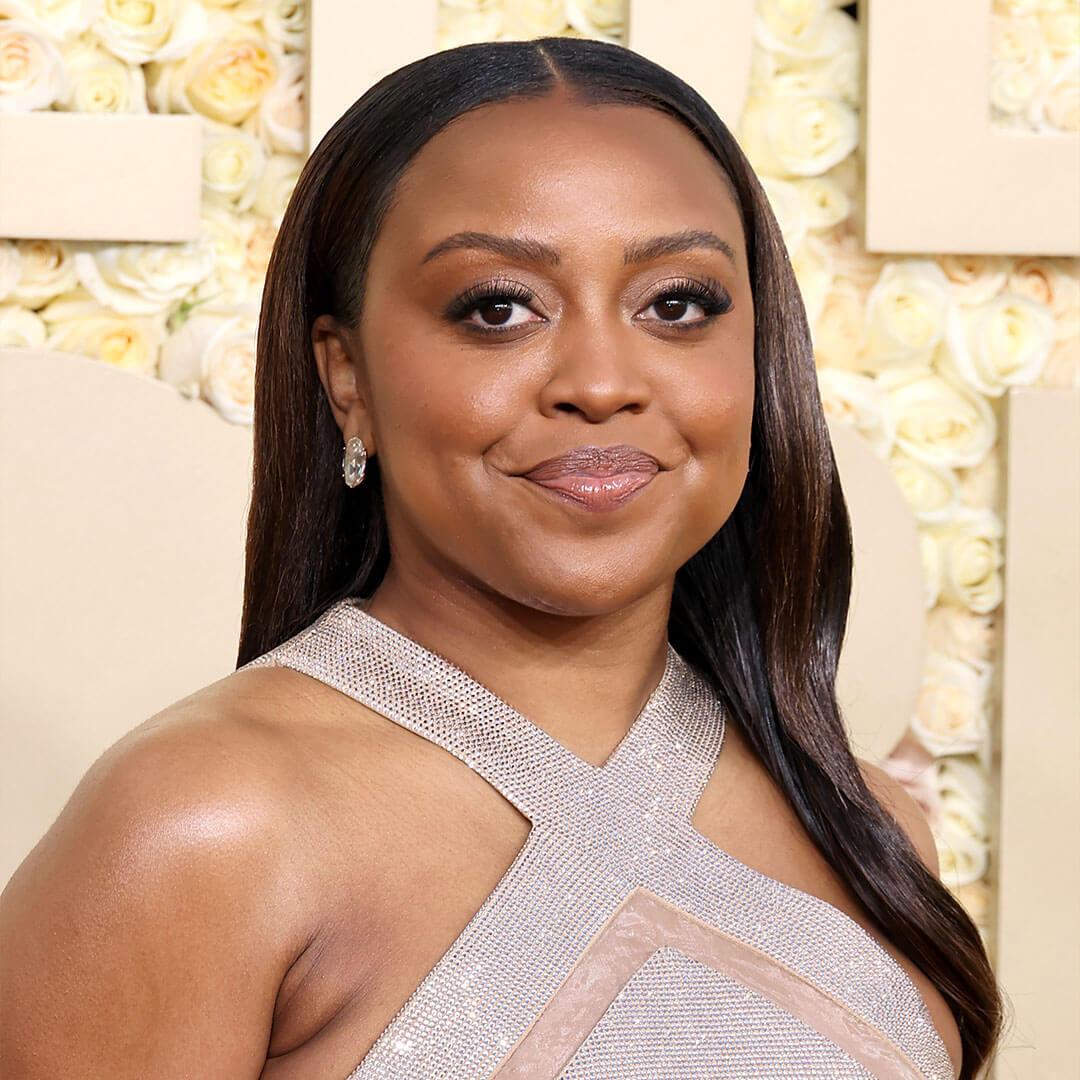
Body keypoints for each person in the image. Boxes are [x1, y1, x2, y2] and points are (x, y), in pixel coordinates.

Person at [0, 34, 1003, 1079]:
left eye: (677, 303)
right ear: (345, 379)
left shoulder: (869, 833)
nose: (603, 381)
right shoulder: (204, 831)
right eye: (498, 308)